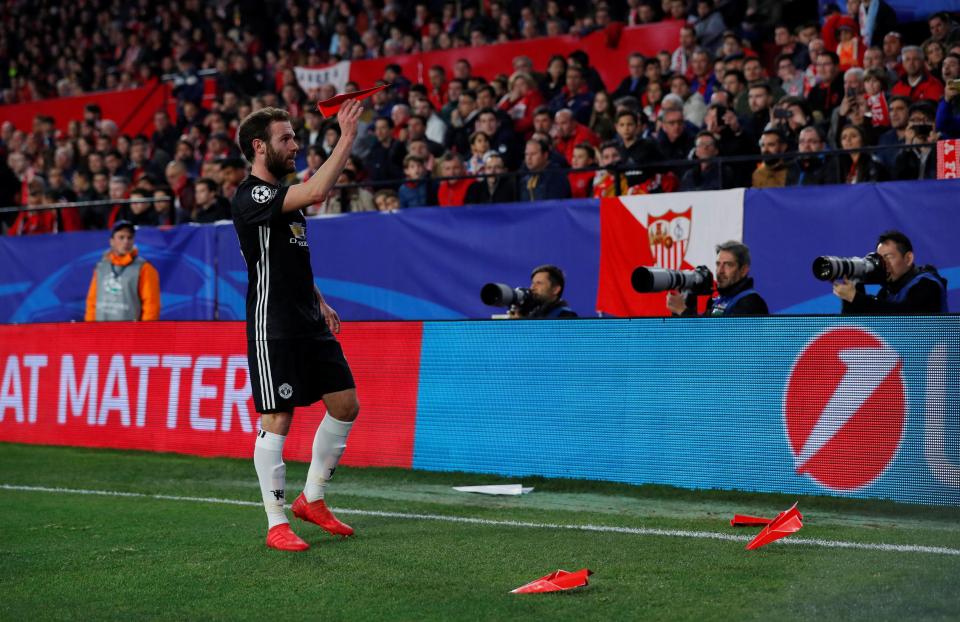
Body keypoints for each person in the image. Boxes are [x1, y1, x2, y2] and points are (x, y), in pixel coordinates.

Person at [231, 99, 364, 552]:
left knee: (345, 404)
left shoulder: (286, 202)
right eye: (285, 138)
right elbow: (316, 192)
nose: (294, 144)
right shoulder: (252, 196)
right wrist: (346, 137)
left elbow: (293, 264)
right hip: (273, 326)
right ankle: (276, 522)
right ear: (259, 146)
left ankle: (313, 499)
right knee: (277, 417)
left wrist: (320, 300)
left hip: (308, 320)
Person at [833, 230, 948, 314]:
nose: (884, 264)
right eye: (880, 258)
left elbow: (907, 317)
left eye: (888, 257)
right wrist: (853, 291)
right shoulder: (886, 292)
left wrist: (856, 298)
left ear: (908, 258)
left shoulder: (928, 284)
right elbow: (859, 328)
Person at [84, 221, 161, 321]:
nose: (126, 241)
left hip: (130, 334)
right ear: (111, 241)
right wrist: (89, 328)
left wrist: (144, 334)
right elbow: (92, 301)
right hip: (101, 333)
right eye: (121, 237)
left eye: (130, 238)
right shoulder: (101, 267)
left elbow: (151, 305)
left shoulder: (144, 268)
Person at [666, 241, 769, 316]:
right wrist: (685, 304)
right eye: (718, 264)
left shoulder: (752, 302)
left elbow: (722, 340)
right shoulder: (717, 300)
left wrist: (683, 311)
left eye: (728, 265)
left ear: (743, 270)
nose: (720, 271)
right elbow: (691, 338)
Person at [509, 264, 578, 318]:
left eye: (539, 283)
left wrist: (521, 326)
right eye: (533, 283)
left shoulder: (566, 316)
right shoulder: (533, 314)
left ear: (555, 289)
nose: (532, 288)